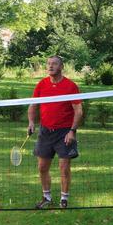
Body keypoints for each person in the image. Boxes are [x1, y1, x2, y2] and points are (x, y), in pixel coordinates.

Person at [27, 55, 83, 209]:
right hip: (45, 132)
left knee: (64, 167)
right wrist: (31, 122)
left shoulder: (71, 86)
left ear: (61, 67)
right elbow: (33, 105)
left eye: (54, 64)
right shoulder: (41, 84)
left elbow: (78, 111)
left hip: (64, 132)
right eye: (49, 64)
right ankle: (46, 198)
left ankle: (64, 199)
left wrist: (72, 131)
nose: (50, 66)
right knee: (42, 167)